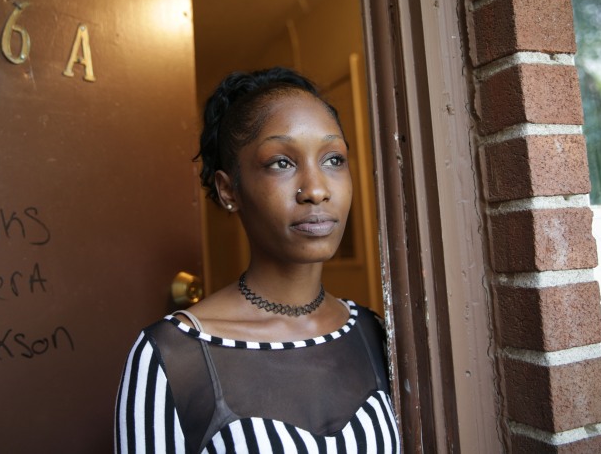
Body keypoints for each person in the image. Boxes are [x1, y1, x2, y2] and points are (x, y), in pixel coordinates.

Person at [115, 67, 399, 453]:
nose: (316, 190)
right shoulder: (172, 356)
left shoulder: (375, 334)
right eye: (282, 162)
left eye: (333, 159)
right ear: (229, 190)